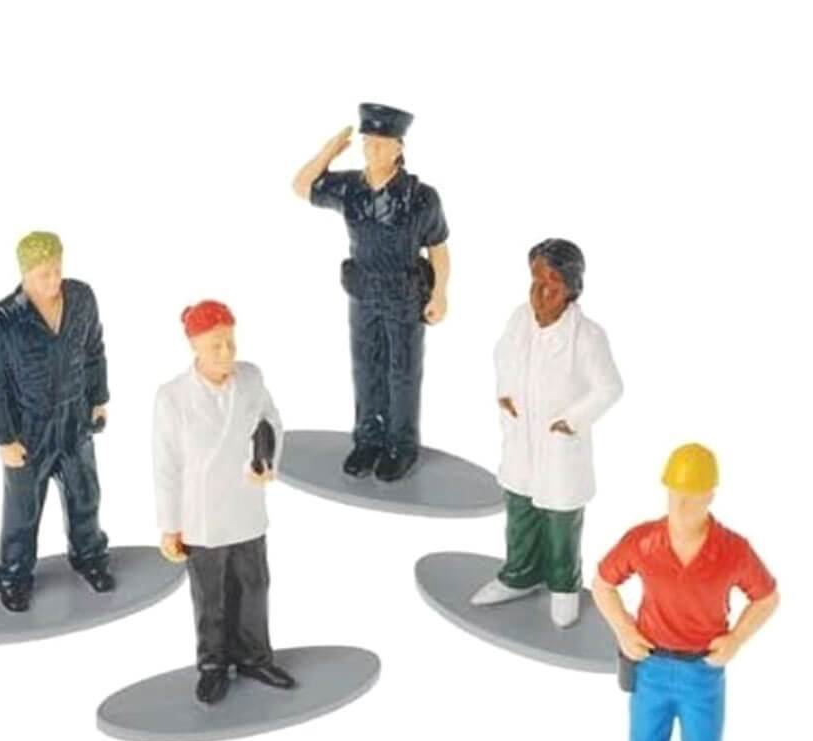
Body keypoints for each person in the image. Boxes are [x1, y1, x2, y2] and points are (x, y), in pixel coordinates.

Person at [593, 444, 780, 741]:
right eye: (674, 494)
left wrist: (736, 639)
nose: (680, 505)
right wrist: (624, 629)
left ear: (710, 495)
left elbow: (766, 597)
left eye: (691, 496)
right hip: (651, 665)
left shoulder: (732, 549)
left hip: (702, 670)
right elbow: (603, 583)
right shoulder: (643, 541)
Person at [293, 103, 450, 482]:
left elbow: (438, 247)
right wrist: (328, 152)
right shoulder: (351, 188)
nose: (372, 150)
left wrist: (440, 293)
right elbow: (301, 186)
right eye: (367, 142)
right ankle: (369, 439)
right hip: (364, 293)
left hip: (403, 295)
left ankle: (401, 446)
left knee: (402, 372)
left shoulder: (420, 197)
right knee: (366, 368)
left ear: (399, 147)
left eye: (381, 143)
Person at [471, 239, 622, 628]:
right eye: (535, 281)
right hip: (522, 436)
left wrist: (571, 421)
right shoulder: (520, 320)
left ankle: (563, 586)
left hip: (558, 444)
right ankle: (518, 574)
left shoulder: (586, 336)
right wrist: (505, 393)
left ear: (571, 287)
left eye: (552, 283)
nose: (540, 292)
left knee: (559, 519)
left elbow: (609, 387)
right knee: (520, 508)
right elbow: (502, 356)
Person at [153, 300, 297, 704]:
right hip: (201, 517)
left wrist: (267, 461)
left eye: (230, 342)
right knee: (210, 596)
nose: (226, 352)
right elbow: (166, 465)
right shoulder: (173, 397)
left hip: (245, 505)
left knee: (254, 585)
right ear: (195, 347)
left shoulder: (251, 378)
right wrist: (170, 526)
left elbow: (271, 421)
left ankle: (255, 656)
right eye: (215, 345)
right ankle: (213, 664)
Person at [0, 231, 115, 612]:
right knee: (23, 509)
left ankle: (90, 557)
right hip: (30, 429)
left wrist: (99, 398)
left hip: (74, 419)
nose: (54, 280)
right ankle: (14, 576)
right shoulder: (1, 320)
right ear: (25, 274)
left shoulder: (81, 298)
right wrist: (5, 439)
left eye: (57, 269)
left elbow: (94, 349)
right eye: (44, 274)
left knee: (85, 494)